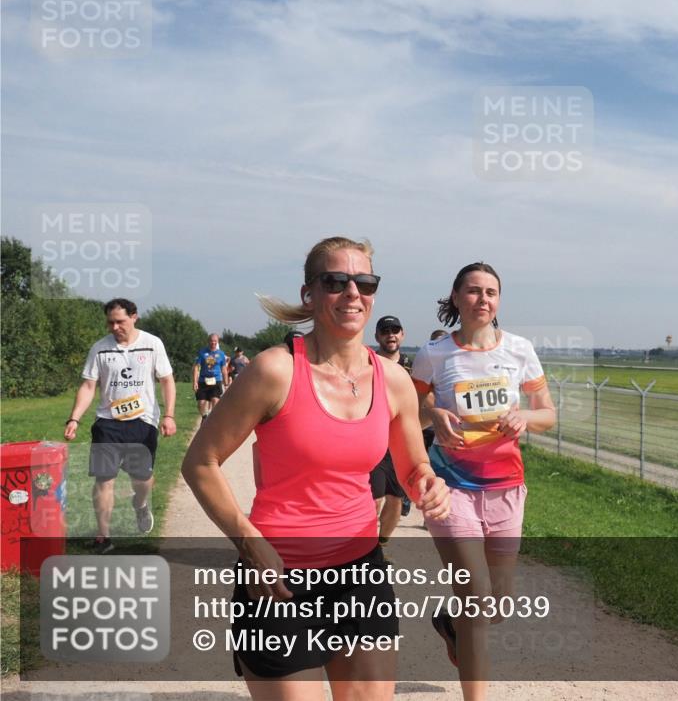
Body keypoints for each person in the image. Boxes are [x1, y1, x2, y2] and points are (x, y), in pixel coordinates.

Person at [182, 236, 450, 701]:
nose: (352, 293)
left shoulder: (393, 380)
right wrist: (250, 544)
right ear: (309, 294)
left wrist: (428, 483)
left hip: (360, 574)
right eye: (335, 281)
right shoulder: (275, 371)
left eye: (364, 282)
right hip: (279, 579)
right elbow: (200, 462)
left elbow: (413, 466)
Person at [412, 263, 556, 700]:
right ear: (455, 298)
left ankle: (449, 623)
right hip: (450, 487)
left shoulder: (519, 350)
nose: (483, 299)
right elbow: (406, 411)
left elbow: (548, 414)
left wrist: (525, 416)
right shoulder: (435, 354)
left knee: (497, 603)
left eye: (491, 292)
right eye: (473, 291)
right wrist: (434, 413)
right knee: (475, 597)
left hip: (507, 488)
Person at [64, 298, 176, 553]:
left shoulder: (152, 344)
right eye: (110, 322)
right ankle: (103, 536)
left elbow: (167, 380)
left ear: (134, 317)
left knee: (142, 479)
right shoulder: (100, 349)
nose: (114, 327)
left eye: (120, 321)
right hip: (107, 423)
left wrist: (169, 415)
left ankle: (140, 504)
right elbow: (89, 385)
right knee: (104, 480)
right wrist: (74, 418)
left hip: (142, 423)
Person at [369, 315, 412, 545]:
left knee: (396, 499)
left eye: (395, 330)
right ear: (377, 336)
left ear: (402, 334)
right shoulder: (367, 362)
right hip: (372, 438)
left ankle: (381, 544)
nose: (391, 334)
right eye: (385, 331)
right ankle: (362, 549)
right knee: (373, 499)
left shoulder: (411, 366)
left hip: (399, 442)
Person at [193, 333, 228, 421]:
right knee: (201, 403)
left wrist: (226, 383)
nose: (213, 343)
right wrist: (195, 382)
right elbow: (196, 368)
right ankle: (204, 417)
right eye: (211, 341)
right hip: (203, 381)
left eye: (215, 341)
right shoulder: (202, 352)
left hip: (216, 380)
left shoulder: (221, 354)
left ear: (218, 342)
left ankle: (213, 420)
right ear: (208, 341)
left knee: (215, 401)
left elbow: (224, 369)